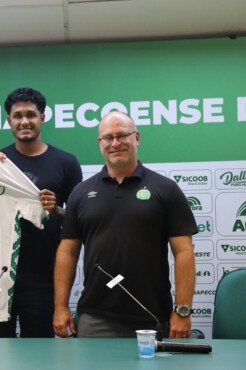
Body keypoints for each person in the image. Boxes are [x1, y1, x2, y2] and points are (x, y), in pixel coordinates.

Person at [53, 111, 197, 339]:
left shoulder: (166, 189)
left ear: (137, 137)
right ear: (100, 143)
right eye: (108, 138)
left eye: (122, 135)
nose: (115, 143)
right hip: (95, 317)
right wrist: (60, 307)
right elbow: (67, 252)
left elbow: (184, 252)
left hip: (152, 315)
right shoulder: (80, 193)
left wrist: (182, 310)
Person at [0, 87, 83, 338]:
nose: (24, 121)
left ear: (42, 117)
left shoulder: (66, 162)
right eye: (17, 115)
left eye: (31, 115)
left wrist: (55, 209)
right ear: (9, 121)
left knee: (39, 357)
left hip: (44, 278)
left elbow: (79, 222)